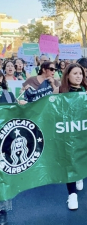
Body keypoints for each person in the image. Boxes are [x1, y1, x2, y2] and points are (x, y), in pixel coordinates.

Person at [59, 63, 87, 210]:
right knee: (70, 161)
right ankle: (72, 195)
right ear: (67, 75)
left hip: (85, 133)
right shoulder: (61, 91)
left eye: (80, 73)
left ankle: (80, 174)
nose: (79, 76)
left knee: (82, 158)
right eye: (75, 73)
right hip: (69, 134)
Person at [0, 70, 16, 225]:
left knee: (3, 178)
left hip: (4, 144)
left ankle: (2, 211)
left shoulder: (8, 95)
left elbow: (17, 113)